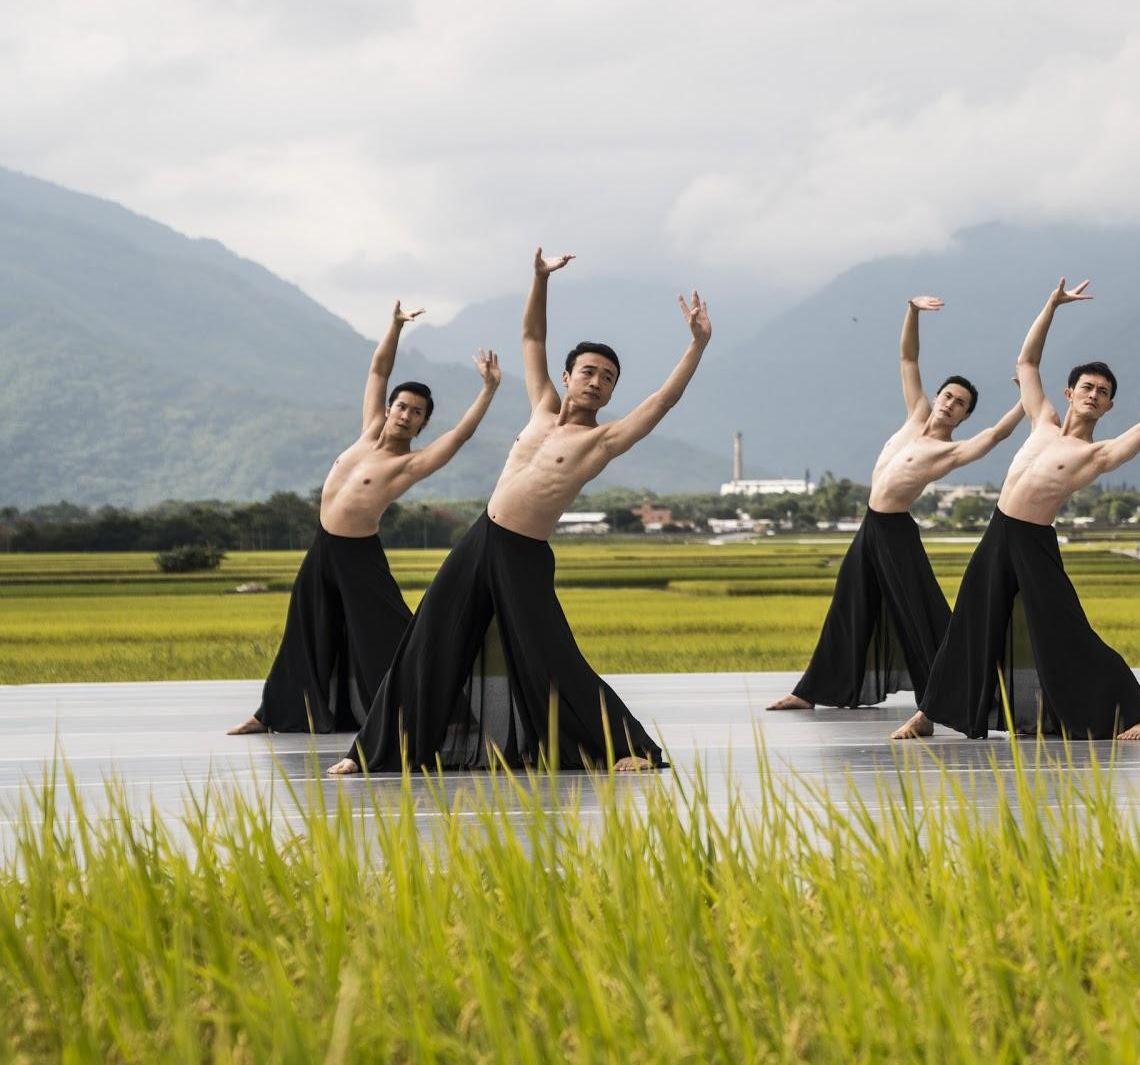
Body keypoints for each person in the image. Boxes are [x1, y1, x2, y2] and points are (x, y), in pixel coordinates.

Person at [331, 251, 711, 775]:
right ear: (569, 376)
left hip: (523, 555)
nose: (597, 382)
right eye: (589, 372)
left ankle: (627, 748)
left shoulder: (601, 440)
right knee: (426, 641)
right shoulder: (540, 407)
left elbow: (663, 402)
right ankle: (375, 753)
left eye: (608, 378)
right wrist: (539, 279)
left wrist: (697, 344)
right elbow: (532, 338)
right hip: (480, 539)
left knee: (551, 655)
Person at [893, 280, 1140, 742]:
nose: (1094, 394)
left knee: (1067, 631)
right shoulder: (1043, 420)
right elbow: (1027, 362)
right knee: (969, 625)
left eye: (1103, 392)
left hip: (1033, 542)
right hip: (998, 533)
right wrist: (1051, 305)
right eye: (1087, 386)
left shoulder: (1098, 454)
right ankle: (930, 713)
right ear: (1070, 393)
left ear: (1109, 406)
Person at [228, 303, 500, 735]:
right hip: (323, 547)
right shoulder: (369, 429)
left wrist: (487, 389)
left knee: (387, 633)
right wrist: (394, 326)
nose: (406, 415)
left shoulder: (410, 464)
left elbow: (460, 435)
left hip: (358, 556)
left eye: (416, 413)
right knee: (304, 629)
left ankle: (433, 712)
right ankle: (272, 713)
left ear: (422, 424)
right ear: (390, 409)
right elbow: (378, 370)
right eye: (403, 406)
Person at [766, 296, 1024, 712]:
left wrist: (1023, 403)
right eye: (948, 395)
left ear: (963, 418)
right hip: (871, 526)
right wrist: (913, 311)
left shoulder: (949, 451)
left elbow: (995, 436)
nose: (950, 403)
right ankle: (809, 691)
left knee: (918, 612)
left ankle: (950, 693)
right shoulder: (915, 413)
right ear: (938, 396)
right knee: (849, 604)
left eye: (960, 404)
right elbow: (908, 358)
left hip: (895, 531)